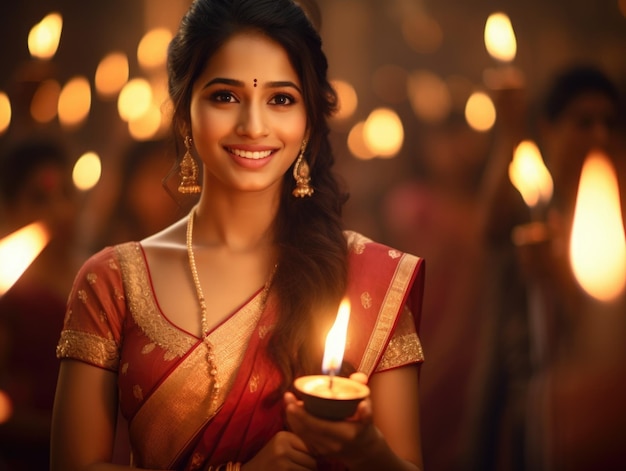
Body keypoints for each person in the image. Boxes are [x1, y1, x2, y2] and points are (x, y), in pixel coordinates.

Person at [50, 1, 426, 470]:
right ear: (185, 112)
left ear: (309, 120)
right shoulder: (111, 282)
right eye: (225, 97)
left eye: (281, 99)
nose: (253, 126)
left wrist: (367, 451)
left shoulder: (369, 279)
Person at [0, 137, 83, 470]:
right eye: (40, 198)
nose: (60, 211)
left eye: (66, 194)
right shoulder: (11, 299)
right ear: (9, 207)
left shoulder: (102, 278)